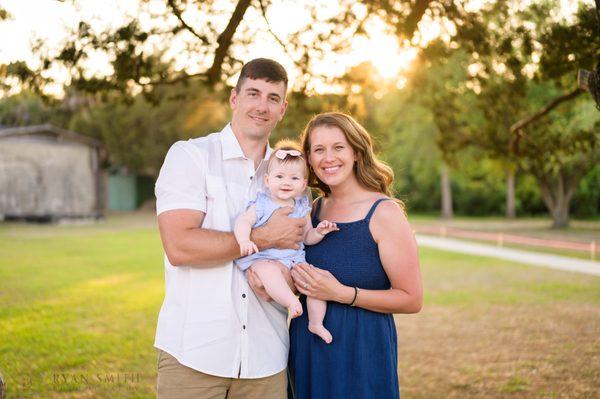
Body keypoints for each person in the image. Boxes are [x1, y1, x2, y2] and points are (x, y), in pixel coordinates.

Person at [154, 58, 305, 399]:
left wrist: (284, 276)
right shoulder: (191, 156)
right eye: (253, 93)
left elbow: (299, 252)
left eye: (273, 98)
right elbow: (180, 247)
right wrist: (263, 238)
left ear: (283, 109)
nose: (262, 106)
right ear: (234, 98)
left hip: (267, 362)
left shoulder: (291, 175)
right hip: (193, 357)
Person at [288, 112, 423, 399]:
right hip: (307, 347)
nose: (328, 158)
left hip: (362, 351)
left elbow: (412, 299)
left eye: (338, 147)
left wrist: (342, 293)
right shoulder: (311, 211)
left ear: (357, 153)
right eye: (318, 149)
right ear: (309, 159)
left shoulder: (384, 212)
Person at [233, 142, 338, 342]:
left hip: (293, 260)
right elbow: (243, 221)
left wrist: (320, 232)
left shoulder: (302, 207)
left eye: (294, 178)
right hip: (264, 258)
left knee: (316, 282)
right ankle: (291, 303)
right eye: (279, 177)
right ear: (267, 179)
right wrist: (244, 240)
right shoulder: (262, 203)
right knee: (268, 271)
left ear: (303, 184)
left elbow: (307, 237)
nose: (286, 182)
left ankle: (316, 323)